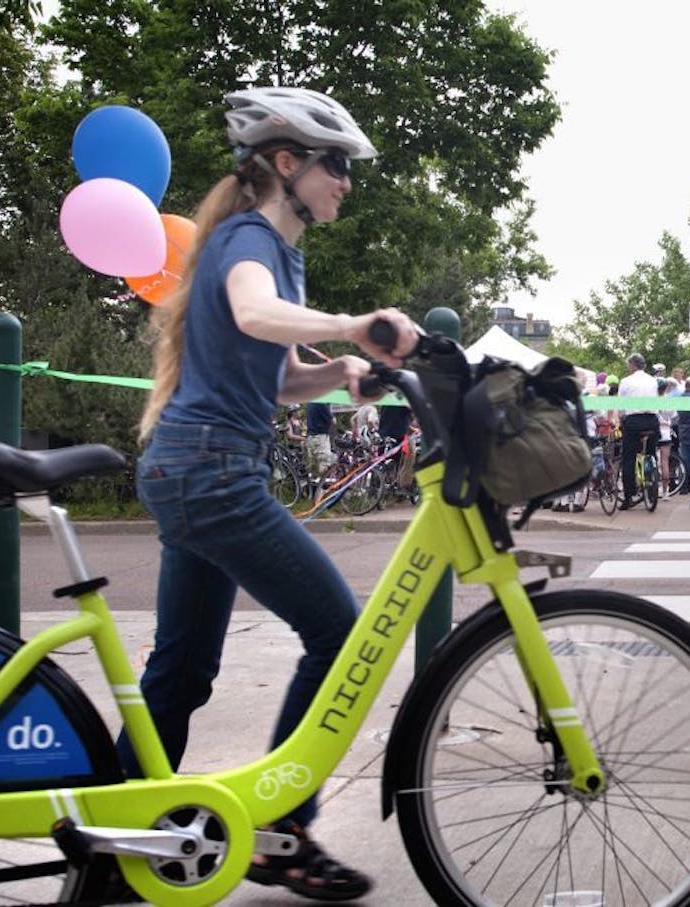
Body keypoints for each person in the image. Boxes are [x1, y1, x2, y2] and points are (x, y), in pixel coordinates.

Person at [130, 86, 419, 901]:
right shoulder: (249, 238)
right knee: (339, 633)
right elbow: (256, 315)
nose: (347, 183)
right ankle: (282, 831)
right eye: (338, 166)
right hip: (210, 472)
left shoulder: (278, 248)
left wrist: (337, 372)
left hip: (200, 468)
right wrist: (351, 323)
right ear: (287, 163)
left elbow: (278, 376)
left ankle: (106, 830)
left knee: (182, 673)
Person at [617, 352, 659, 508]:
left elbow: (621, 407)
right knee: (651, 451)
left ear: (633, 365)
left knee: (628, 458)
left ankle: (629, 496)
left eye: (628, 365)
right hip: (651, 420)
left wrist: (621, 420)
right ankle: (652, 474)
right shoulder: (653, 381)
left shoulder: (626, 381)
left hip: (633, 421)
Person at [304, 400, 334, 481]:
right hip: (320, 438)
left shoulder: (310, 403)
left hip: (310, 437)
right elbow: (330, 419)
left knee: (313, 468)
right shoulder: (322, 403)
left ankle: (314, 491)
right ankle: (323, 491)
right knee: (324, 465)